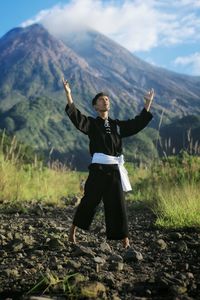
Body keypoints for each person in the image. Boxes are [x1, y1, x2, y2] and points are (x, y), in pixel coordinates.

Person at [63, 77, 154, 248]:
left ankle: (125, 240)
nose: (105, 101)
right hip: (98, 169)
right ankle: (72, 231)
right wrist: (69, 95)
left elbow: (136, 124)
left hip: (114, 170)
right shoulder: (91, 123)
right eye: (100, 100)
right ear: (95, 107)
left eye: (107, 99)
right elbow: (76, 117)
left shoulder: (117, 126)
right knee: (89, 201)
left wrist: (147, 104)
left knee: (117, 203)